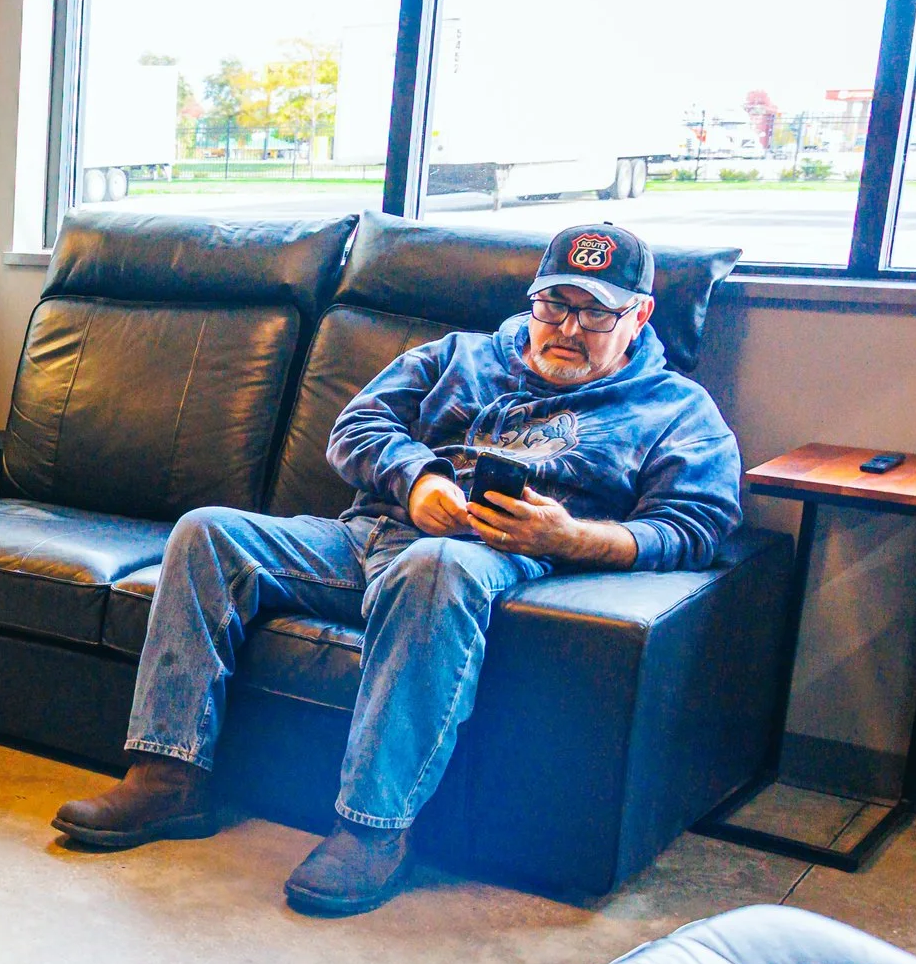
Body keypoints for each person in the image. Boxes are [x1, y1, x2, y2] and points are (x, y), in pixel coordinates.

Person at [51, 222, 743, 916]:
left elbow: (699, 524)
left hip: (487, 563)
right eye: (553, 305)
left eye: (594, 312)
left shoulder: (675, 409)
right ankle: (167, 775)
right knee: (206, 533)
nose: (566, 328)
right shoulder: (459, 355)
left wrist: (572, 535)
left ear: (640, 315)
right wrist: (416, 480)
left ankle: (373, 830)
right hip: (363, 537)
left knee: (432, 564)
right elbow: (356, 426)